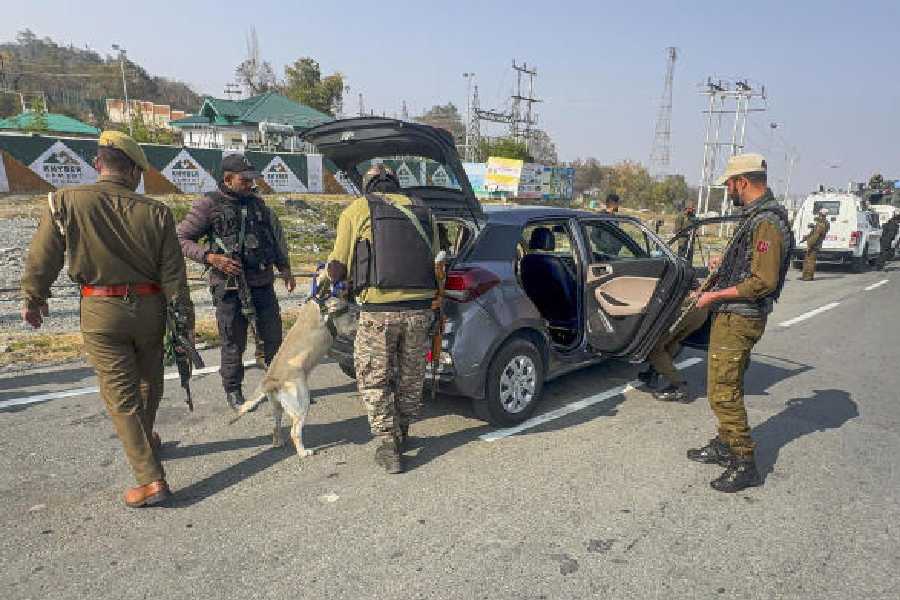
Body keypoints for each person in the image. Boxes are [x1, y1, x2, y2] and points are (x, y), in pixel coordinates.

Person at [20, 131, 194, 508]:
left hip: (102, 310)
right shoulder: (157, 212)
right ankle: (146, 442)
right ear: (133, 171)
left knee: (121, 396)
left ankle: (150, 481)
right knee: (149, 382)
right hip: (151, 309)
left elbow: (42, 257)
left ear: (98, 164)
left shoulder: (65, 201)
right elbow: (174, 276)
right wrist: (185, 324)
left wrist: (34, 298)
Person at [320, 164, 439, 474]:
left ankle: (388, 443)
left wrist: (328, 279)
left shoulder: (358, 208)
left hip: (378, 311)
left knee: (374, 377)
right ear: (396, 184)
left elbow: (338, 266)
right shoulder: (425, 211)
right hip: (420, 310)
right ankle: (403, 430)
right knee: (411, 375)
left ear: (367, 186)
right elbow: (437, 258)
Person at [689, 153, 792, 493]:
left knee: (722, 391)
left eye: (730, 184)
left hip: (740, 317)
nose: (728, 190)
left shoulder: (766, 222)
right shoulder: (756, 217)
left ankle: (744, 461)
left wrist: (713, 296)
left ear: (742, 182)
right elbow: (751, 263)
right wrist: (725, 261)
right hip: (733, 314)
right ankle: (725, 443)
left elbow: (763, 281)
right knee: (726, 384)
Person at [177, 153, 295, 411]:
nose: (251, 184)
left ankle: (278, 387)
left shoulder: (258, 204)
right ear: (228, 179)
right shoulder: (208, 205)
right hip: (229, 287)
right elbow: (181, 238)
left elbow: (272, 238)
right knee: (233, 342)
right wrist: (211, 258)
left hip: (262, 283)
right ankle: (233, 390)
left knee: (274, 339)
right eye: (245, 180)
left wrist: (284, 268)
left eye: (252, 180)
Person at [640, 303, 710, 402]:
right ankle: (654, 372)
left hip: (685, 308)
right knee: (672, 342)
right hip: (701, 311)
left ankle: (678, 385)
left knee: (654, 348)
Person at [800, 208, 830, 280]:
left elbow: (816, 236)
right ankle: (805, 276)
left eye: (819, 214)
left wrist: (810, 245)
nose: (818, 215)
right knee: (808, 260)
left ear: (821, 214)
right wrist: (805, 238)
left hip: (814, 245)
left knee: (810, 261)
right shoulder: (821, 223)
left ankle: (808, 277)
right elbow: (813, 233)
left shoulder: (821, 224)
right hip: (814, 244)